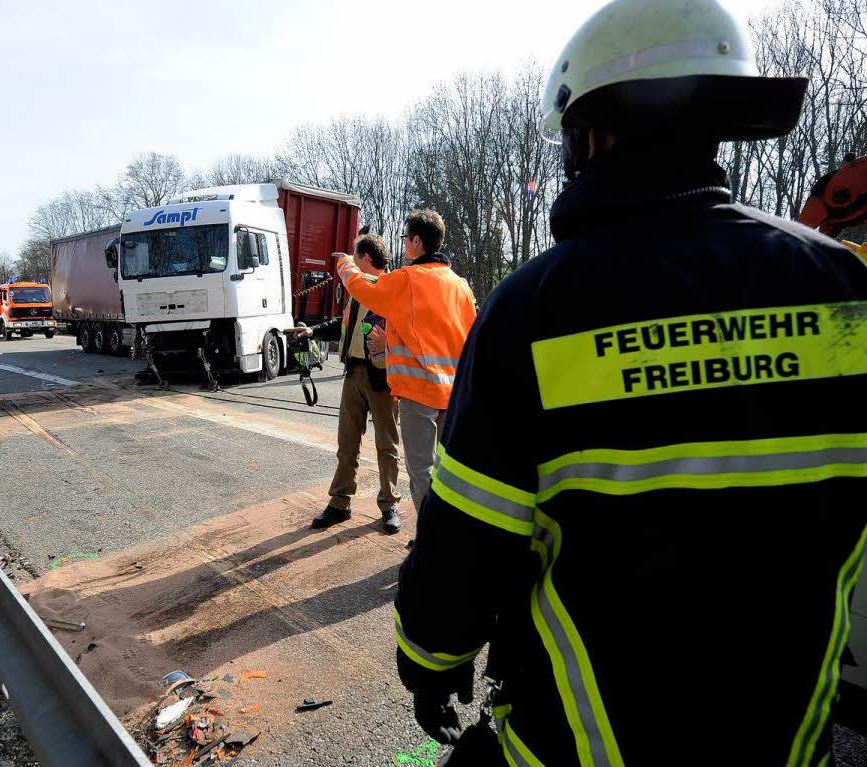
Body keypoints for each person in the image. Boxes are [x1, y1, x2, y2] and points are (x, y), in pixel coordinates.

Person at [393, 1, 867, 765]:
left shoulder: (535, 310)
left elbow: (463, 551)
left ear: (591, 136)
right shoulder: (842, 287)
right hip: (786, 739)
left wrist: (428, 661)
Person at [336, 210, 476, 519]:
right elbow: (470, 338)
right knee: (448, 469)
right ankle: (448, 532)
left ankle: (431, 541)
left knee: (421, 471)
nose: (404, 245)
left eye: (406, 239)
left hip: (419, 391)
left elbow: (362, 289)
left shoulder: (408, 279)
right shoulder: (460, 285)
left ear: (416, 241)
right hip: (453, 395)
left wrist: (344, 262)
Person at [293, 234, 402, 533]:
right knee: (347, 445)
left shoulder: (395, 288)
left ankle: (389, 505)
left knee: (387, 447)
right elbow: (344, 325)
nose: (350, 263)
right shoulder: (358, 291)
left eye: (354, 257)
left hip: (384, 379)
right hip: (354, 373)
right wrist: (312, 332)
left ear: (366, 258)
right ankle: (339, 505)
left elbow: (408, 335)